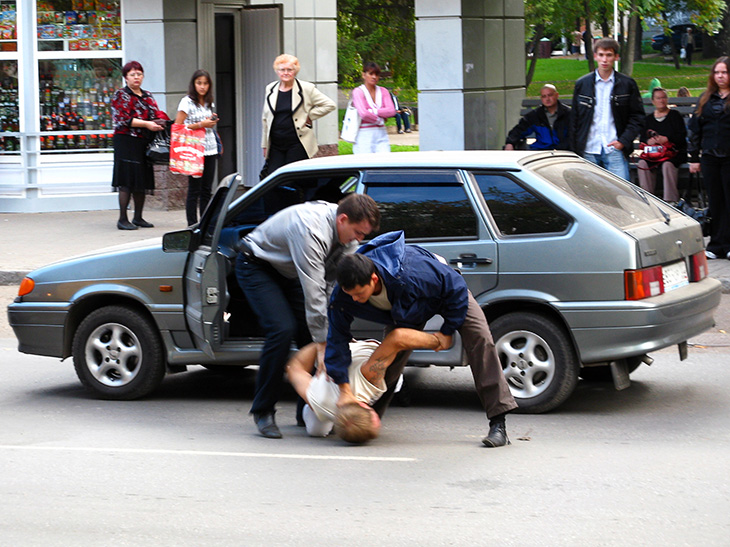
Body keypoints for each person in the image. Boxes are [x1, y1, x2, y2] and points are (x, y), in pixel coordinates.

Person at [325, 231, 519, 448]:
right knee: (388, 360)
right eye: (349, 294)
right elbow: (336, 340)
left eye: (359, 294)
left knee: (480, 339)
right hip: (405, 310)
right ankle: (366, 421)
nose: (355, 300)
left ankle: (498, 422)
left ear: (373, 278)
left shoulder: (414, 271)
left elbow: (454, 286)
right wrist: (344, 390)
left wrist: (446, 332)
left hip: (447, 294)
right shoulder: (343, 296)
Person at [235, 193, 381, 438]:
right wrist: (324, 344)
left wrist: (335, 335)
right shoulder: (310, 230)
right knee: (282, 330)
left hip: (290, 271)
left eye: (363, 235)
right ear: (342, 219)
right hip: (257, 265)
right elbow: (314, 289)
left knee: (312, 336)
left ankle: (308, 409)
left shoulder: (349, 237)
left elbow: (335, 287)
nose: (359, 239)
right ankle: (263, 411)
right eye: (357, 232)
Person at [287, 328, 451, 442]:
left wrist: (437, 341)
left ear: (368, 409)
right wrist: (319, 346)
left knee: (316, 430)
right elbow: (294, 368)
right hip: (327, 388)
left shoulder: (369, 379)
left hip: (357, 351)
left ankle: (400, 384)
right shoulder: (321, 402)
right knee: (317, 429)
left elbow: (397, 337)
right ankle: (316, 417)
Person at [570, 37, 645, 181]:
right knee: (589, 195)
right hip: (588, 148)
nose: (605, 60)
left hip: (614, 148)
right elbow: (575, 119)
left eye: (609, 55)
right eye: (601, 55)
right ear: (595, 56)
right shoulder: (582, 84)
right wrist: (574, 149)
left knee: (622, 193)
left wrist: (623, 141)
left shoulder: (627, 84)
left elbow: (637, 116)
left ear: (616, 57)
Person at [111, 61, 169, 230]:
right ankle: (122, 219)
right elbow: (123, 119)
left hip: (144, 141)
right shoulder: (121, 95)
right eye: (132, 74)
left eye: (139, 74)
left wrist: (160, 121)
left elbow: (156, 113)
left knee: (141, 180)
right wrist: (147, 124)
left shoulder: (148, 95)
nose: (136, 77)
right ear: (126, 78)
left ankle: (138, 217)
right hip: (126, 141)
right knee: (127, 180)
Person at [261, 54, 336, 174]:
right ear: (277, 71)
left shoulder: (306, 88)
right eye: (282, 70)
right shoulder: (270, 89)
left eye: (289, 70)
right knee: (273, 177)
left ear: (295, 71)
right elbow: (265, 119)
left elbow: (329, 104)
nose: (285, 73)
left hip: (297, 142)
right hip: (276, 144)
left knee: (293, 177)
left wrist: (309, 116)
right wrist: (265, 145)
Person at [688, 57, 730, 260]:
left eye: (724, 72)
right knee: (715, 201)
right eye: (717, 72)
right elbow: (695, 129)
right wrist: (694, 157)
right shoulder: (706, 98)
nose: (720, 76)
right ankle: (716, 244)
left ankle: (729, 244)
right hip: (710, 157)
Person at [175, 69, 220, 226]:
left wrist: (211, 121)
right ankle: (192, 225)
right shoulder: (186, 102)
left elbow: (208, 124)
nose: (202, 87)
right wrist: (201, 124)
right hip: (193, 150)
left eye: (205, 83)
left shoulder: (209, 101)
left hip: (210, 147)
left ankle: (205, 224)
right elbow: (178, 127)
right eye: (199, 83)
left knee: (207, 189)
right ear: (193, 84)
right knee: (194, 189)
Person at [637, 87, 687, 203]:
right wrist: (649, 141)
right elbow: (643, 138)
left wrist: (667, 139)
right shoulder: (648, 119)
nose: (661, 100)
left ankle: (670, 200)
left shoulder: (675, 115)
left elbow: (681, 136)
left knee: (667, 165)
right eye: (658, 98)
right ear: (653, 101)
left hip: (673, 153)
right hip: (654, 154)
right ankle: (648, 199)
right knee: (642, 163)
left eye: (664, 97)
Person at [504, 84, 570, 151]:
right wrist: (510, 143)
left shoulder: (569, 114)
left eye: (550, 95)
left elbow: (577, 135)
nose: (547, 99)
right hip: (541, 151)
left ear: (556, 95)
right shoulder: (535, 115)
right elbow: (518, 130)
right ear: (541, 98)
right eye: (544, 96)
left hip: (564, 152)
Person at [351, 62, 396, 154]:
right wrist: (379, 120)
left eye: (376, 74)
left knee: (385, 162)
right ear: (364, 75)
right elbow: (363, 114)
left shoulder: (383, 91)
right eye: (371, 74)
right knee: (366, 162)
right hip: (364, 133)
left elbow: (391, 111)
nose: (374, 77)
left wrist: (372, 111)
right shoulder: (358, 92)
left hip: (381, 132)